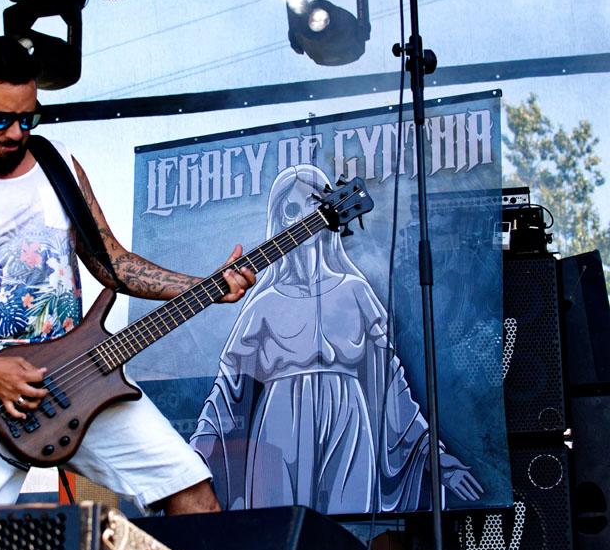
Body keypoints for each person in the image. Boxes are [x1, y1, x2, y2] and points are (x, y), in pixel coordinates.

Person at [0, 36, 255, 513]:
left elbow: (112, 263)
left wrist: (204, 287)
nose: (15, 133)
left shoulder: (57, 163)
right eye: (0, 119)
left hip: (78, 378)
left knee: (192, 493)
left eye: (28, 119)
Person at [189, 164, 483, 514]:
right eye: (292, 210)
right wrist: (194, 455)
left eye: (313, 206)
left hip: (348, 425)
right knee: (280, 528)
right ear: (280, 220)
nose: (302, 221)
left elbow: (391, 383)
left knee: (347, 529)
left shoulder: (354, 292)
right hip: (279, 429)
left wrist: (434, 454)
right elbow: (226, 391)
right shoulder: (263, 305)